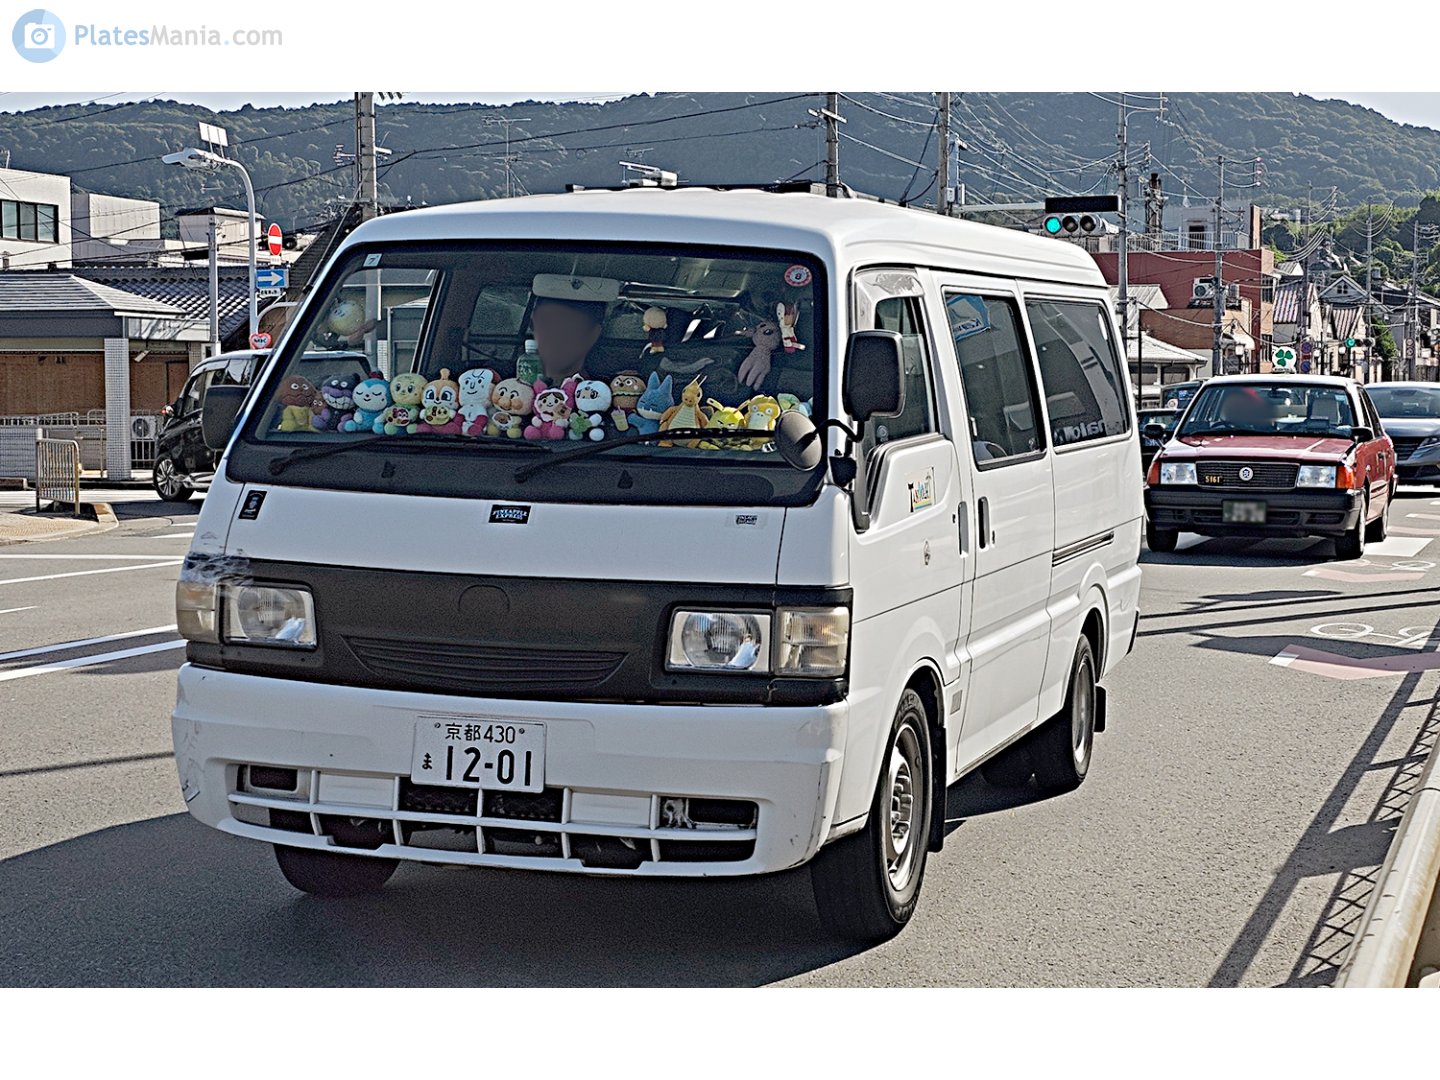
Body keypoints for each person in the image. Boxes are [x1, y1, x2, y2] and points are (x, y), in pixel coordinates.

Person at [530, 296, 606, 383]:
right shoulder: (513, 383)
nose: (554, 338)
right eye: (545, 326)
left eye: (567, 329)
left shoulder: (606, 391)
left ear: (593, 335)